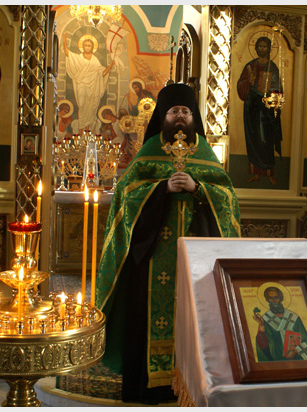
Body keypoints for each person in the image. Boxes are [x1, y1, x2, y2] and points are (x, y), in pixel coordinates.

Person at [96, 83, 241, 404]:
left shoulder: (205, 154)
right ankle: (147, 386)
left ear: (193, 117)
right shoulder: (149, 151)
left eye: (185, 111)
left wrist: (198, 187)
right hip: (152, 257)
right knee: (146, 317)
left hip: (196, 258)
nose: (180, 117)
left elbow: (229, 199)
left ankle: (192, 383)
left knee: (196, 316)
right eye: (174, 111)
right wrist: (161, 188)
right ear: (163, 115)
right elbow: (125, 197)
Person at [236, 36, 283, 185]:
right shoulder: (250, 66)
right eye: (260, 46)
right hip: (252, 108)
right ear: (256, 48)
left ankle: (269, 173)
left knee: (266, 139)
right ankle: (255, 174)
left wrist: (271, 96)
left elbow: (278, 89)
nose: (262, 49)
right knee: (253, 139)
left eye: (265, 46)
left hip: (266, 109)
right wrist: (249, 81)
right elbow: (241, 85)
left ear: (269, 49)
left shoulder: (272, 67)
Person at [63, 33, 115, 133]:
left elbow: (102, 73)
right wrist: (64, 41)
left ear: (92, 47)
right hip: (81, 84)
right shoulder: (78, 58)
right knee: (82, 105)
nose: (87, 47)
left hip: (93, 87)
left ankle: (87, 130)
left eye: (89, 45)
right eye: (86, 45)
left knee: (91, 107)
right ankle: (81, 129)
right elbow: (67, 54)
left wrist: (110, 66)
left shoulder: (94, 60)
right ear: (82, 47)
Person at [252, 286, 307, 362]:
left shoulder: (293, 318)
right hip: (277, 361)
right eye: (270, 298)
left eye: (276, 298)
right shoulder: (266, 319)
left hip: (296, 360)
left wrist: (296, 351)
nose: (274, 301)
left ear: (281, 298)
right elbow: (263, 346)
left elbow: (306, 341)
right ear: (267, 300)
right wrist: (261, 326)